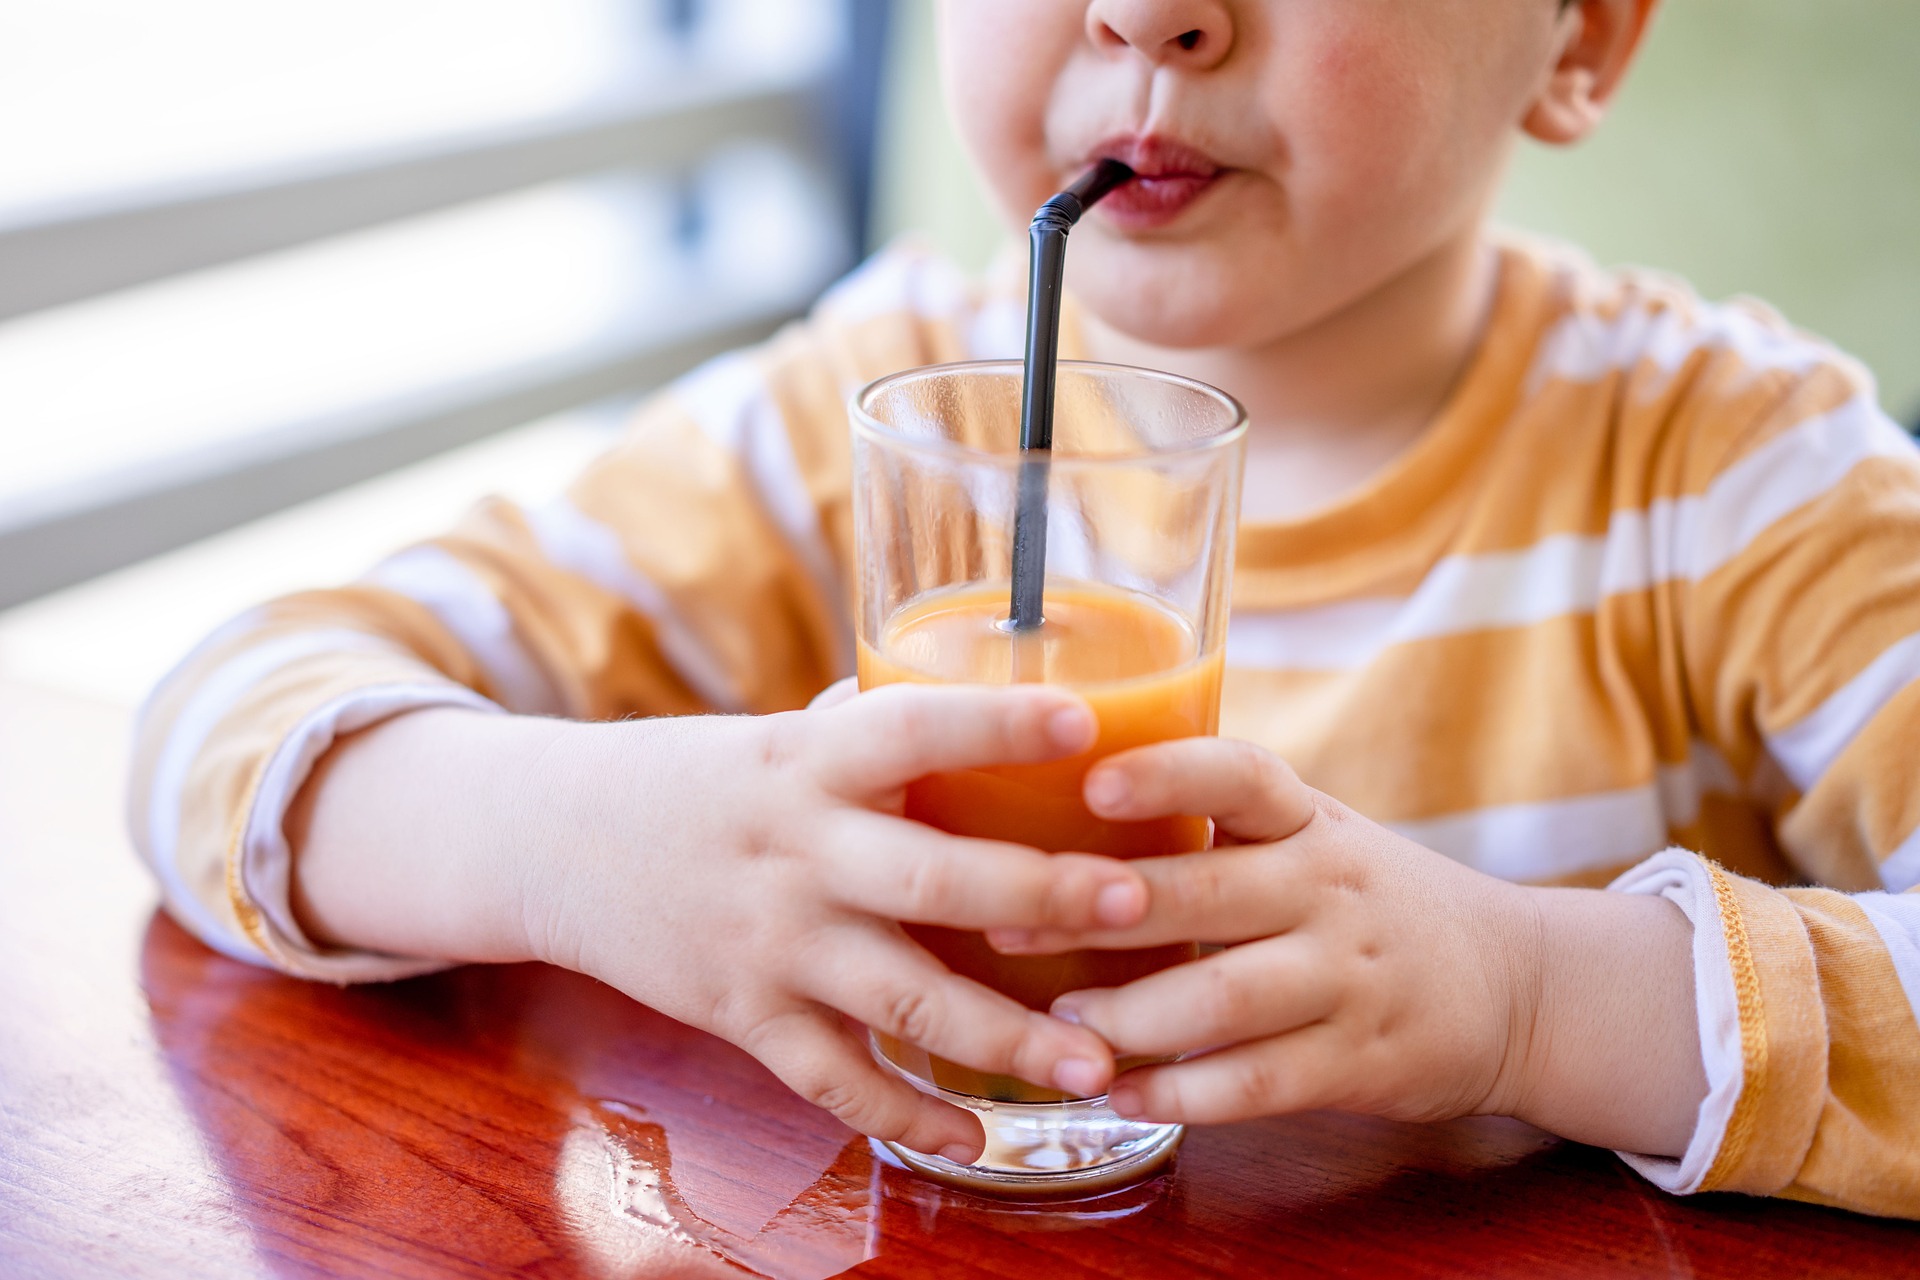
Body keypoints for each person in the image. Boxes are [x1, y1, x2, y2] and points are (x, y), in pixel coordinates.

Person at [130, 0, 1920, 1218]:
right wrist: (588, 846)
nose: (1148, 13)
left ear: (1583, 31)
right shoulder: (854, 418)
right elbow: (224, 715)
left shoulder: (1738, 479)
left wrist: (1539, 997)